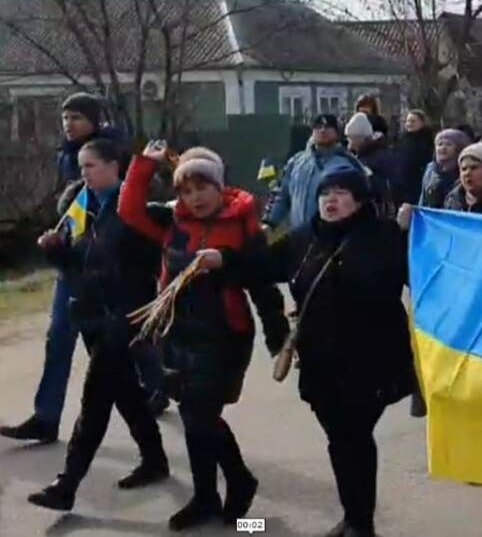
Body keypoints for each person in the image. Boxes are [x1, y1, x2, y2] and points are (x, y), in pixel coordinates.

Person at [118, 142, 288, 531]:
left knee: (199, 415)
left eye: (202, 188)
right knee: (198, 416)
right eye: (185, 191)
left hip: (224, 334)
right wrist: (144, 165)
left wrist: (276, 333)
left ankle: (223, 491)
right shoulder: (170, 222)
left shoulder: (242, 224)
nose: (194, 198)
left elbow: (262, 281)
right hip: (176, 334)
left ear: (219, 186)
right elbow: (128, 212)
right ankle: (218, 491)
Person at [2, 93, 165, 444]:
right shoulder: (65, 155)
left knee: (122, 346)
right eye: (64, 117)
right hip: (75, 261)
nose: (68, 124)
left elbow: (136, 205)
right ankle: (46, 417)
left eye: (76, 117)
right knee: (59, 337)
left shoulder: (115, 152)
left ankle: (157, 387)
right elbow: (74, 205)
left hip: (110, 270)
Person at [26, 138, 170, 512]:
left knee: (95, 401)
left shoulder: (134, 209)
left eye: (90, 166)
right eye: (81, 167)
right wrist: (56, 249)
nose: (83, 174)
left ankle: (67, 484)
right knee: (125, 391)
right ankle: (154, 458)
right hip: (92, 316)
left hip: (124, 317)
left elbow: (140, 262)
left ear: (112, 166)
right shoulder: (82, 208)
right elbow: (80, 265)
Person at [271, 168, 416, 537]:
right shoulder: (304, 238)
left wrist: (416, 231)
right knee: (340, 438)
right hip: (320, 360)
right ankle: (353, 517)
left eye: (341, 192)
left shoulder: (386, 237)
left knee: (353, 435)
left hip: (371, 359)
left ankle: (360, 522)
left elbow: (432, 275)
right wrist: (221, 259)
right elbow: (257, 265)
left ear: (361, 199)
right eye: (325, 193)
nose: (330, 200)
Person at [268, 114, 366, 230]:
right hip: (299, 238)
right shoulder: (296, 162)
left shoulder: (347, 164)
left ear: (337, 132)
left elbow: (361, 200)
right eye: (318, 127)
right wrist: (270, 221)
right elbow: (282, 195)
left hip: (334, 238)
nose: (323, 131)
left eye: (328, 127)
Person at [346, 112, 402, 218]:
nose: (349, 143)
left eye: (350, 138)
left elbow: (389, 186)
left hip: (380, 213)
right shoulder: (360, 157)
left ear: (360, 138)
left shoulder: (381, 157)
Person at [419, 128, 472, 208]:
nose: (443, 148)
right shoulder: (430, 169)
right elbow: (423, 199)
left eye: (448, 144)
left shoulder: (465, 170)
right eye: (440, 144)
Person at [397, 109, 436, 205]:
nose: (409, 124)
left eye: (413, 121)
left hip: (419, 182)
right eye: (407, 121)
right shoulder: (402, 139)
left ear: (422, 123)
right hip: (402, 184)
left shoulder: (427, 140)